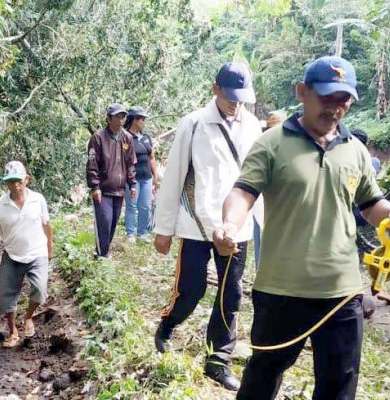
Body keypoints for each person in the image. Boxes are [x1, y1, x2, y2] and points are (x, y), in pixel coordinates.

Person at [213, 56, 390, 399]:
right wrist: (229, 225)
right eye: (327, 98)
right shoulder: (272, 143)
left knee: (339, 385)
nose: (336, 109)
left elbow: (370, 205)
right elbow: (242, 192)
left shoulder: (356, 151)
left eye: (344, 101)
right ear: (302, 92)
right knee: (263, 376)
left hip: (342, 293)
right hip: (281, 289)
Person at [153, 61, 262, 390]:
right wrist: (164, 228)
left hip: (236, 228)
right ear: (215, 88)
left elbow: (257, 177)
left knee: (231, 293)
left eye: (241, 97)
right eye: (230, 95)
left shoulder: (253, 126)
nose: (235, 102)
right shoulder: (194, 124)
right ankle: (168, 324)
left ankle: (218, 359)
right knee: (192, 289)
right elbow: (174, 176)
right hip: (196, 225)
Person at [0, 161, 53, 348]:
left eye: (18, 181)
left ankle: (28, 317)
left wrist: (50, 245)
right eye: (11, 182)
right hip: (12, 255)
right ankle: (12, 331)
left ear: (26, 180)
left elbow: (46, 225)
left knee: (40, 291)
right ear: (6, 183)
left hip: (37, 253)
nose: (15, 185)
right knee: (5, 300)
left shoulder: (38, 200)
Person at [351, 128, 390, 305]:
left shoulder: (345, 157)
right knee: (374, 250)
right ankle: (380, 287)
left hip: (349, 214)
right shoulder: (374, 162)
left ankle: (353, 290)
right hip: (368, 212)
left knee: (352, 251)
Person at [86, 103, 137, 259]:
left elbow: (130, 163)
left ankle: (100, 251)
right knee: (104, 221)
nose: (121, 120)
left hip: (119, 189)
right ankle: (103, 255)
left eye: (123, 116)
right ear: (108, 119)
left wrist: (133, 183)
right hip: (103, 188)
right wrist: (95, 186)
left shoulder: (127, 138)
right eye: (117, 116)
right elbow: (92, 162)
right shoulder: (98, 137)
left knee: (113, 223)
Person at [252, 110, 287, 269]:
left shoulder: (291, 148)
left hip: (284, 206)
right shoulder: (261, 148)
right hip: (261, 203)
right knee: (262, 246)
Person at [124, 106, 159, 243]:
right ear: (134, 120)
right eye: (142, 119)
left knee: (145, 206)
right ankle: (130, 233)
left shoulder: (146, 137)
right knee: (132, 206)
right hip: (132, 179)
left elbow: (152, 158)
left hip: (146, 178)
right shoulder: (126, 137)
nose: (144, 122)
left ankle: (142, 233)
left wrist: (155, 177)